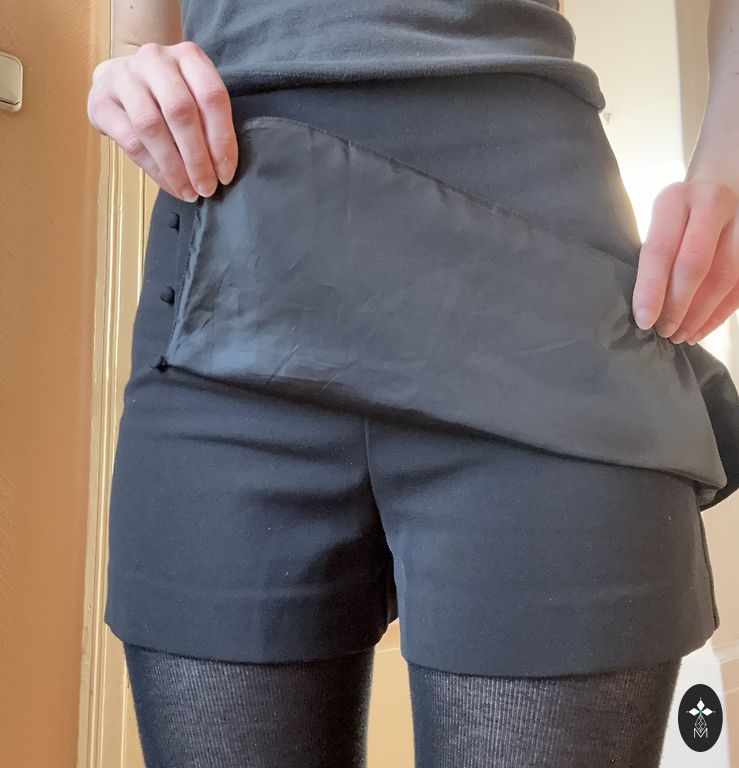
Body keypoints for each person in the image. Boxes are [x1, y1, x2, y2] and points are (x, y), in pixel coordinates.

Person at [87, 1, 739, 766]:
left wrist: (727, 162)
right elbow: (139, 33)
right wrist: (129, 63)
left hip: (542, 298)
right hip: (230, 278)